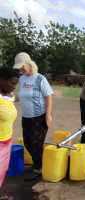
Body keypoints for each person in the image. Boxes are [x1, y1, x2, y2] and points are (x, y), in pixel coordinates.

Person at [13, 52, 53, 180]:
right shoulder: (22, 79)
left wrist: (48, 115)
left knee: (36, 143)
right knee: (28, 142)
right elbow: (21, 95)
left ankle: (38, 168)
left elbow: (49, 97)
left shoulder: (40, 79)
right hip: (26, 117)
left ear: (29, 63)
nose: (20, 69)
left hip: (39, 117)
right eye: (19, 67)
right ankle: (38, 163)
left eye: (22, 66)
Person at [0, 68, 19, 198]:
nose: (14, 87)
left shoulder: (8, 97)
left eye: (15, 84)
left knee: (2, 172)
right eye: (12, 83)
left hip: (7, 142)